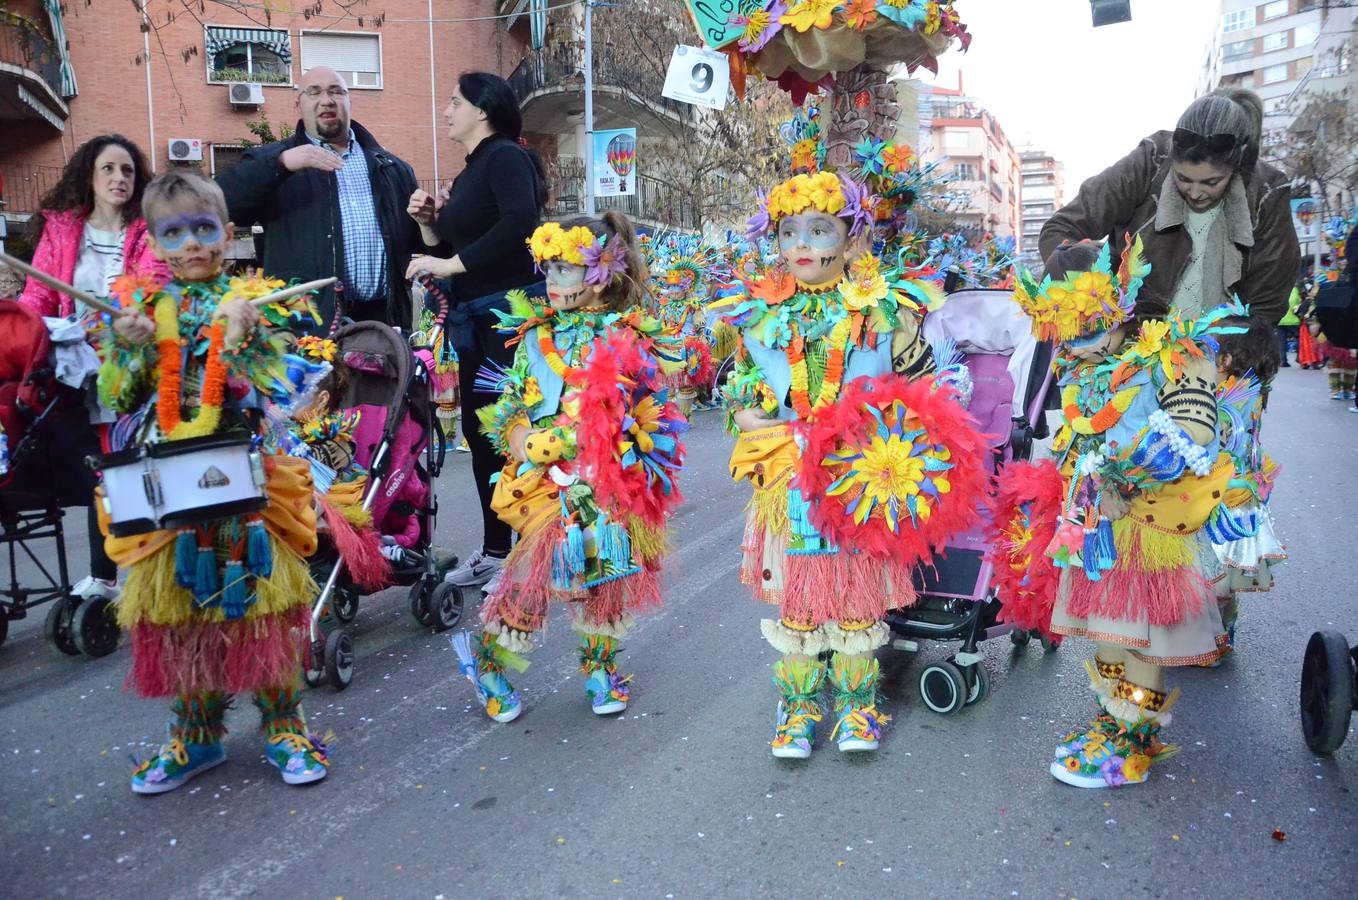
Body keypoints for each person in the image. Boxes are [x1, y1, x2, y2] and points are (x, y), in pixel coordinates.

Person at [711, 143, 992, 760]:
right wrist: (748, 411)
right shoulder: (760, 315)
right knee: (801, 603)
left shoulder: (884, 309)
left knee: (858, 601)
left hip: (863, 479)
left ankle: (860, 707)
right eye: (790, 232)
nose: (804, 243)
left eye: (820, 228)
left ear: (850, 236)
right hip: (788, 481)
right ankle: (798, 708)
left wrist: (915, 426)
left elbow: (936, 388)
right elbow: (742, 390)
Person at [96, 172, 327, 793]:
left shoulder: (257, 298)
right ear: (155, 242)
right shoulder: (142, 310)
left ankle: (284, 725)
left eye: (203, 229)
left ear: (226, 233)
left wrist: (248, 334)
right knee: (181, 618)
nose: (192, 244)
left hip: (245, 484)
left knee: (263, 608)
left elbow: (287, 389)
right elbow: (116, 396)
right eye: (175, 233)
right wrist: (128, 350)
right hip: (170, 491)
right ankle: (196, 736)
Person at [1012, 239, 1242, 789]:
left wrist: (1125, 476)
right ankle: (1113, 721)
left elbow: (1195, 431)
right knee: (1108, 630)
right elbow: (1074, 434)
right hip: (1099, 526)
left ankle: (1135, 742)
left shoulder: (1173, 356)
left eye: (1088, 331)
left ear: (1121, 310)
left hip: (1151, 525)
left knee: (1142, 638)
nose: (1076, 348)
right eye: (1063, 336)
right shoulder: (1082, 366)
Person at [451, 211, 686, 722]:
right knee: (526, 582)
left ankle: (599, 669)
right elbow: (509, 403)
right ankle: (489, 665)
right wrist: (523, 438)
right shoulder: (535, 337)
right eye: (548, 269)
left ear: (601, 271)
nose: (552, 281)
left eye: (565, 269)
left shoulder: (629, 338)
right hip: (544, 482)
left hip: (604, 482)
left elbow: (655, 414)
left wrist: (614, 444)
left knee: (601, 581)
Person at [404, 72, 548, 590]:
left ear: (482, 110)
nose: (446, 110)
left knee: (510, 431)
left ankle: (528, 551)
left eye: (454, 100)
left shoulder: (506, 155)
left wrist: (449, 263)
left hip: (509, 315)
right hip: (476, 318)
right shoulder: (470, 172)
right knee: (479, 430)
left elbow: (520, 224)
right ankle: (495, 551)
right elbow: (450, 253)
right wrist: (428, 227)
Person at [17, 133, 171, 605]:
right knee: (102, 468)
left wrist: (123, 316)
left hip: (135, 365)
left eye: (126, 170)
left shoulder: (148, 229)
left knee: (140, 462)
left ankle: (156, 569)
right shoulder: (62, 230)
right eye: (108, 169)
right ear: (89, 175)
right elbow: (37, 299)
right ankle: (105, 576)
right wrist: (28, 335)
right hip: (78, 370)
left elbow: (153, 284)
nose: (118, 178)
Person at [1040, 89, 1299, 325]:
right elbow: (1060, 229)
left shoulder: (1268, 192)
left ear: (1237, 164)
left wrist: (1237, 350)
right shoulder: (1149, 162)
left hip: (1221, 356)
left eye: (1211, 182)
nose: (1196, 193)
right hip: (1132, 346)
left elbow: (1267, 303)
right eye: (1184, 179)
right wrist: (1093, 299)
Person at [217, 67, 429, 331]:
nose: (327, 100)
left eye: (336, 91)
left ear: (349, 101)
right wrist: (281, 164)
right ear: (299, 105)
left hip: (385, 321)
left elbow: (423, 246)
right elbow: (221, 207)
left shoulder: (392, 168)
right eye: (314, 92)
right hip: (307, 325)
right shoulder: (276, 161)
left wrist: (431, 220)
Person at [1205, 314, 1285, 658]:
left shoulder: (1226, 399)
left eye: (1208, 351)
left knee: (1212, 573)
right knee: (1223, 578)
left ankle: (1212, 638)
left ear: (1224, 360)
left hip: (1222, 497)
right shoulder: (1251, 390)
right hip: (1239, 493)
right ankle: (1223, 631)